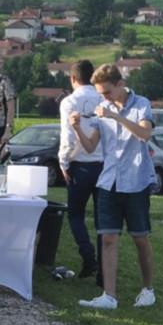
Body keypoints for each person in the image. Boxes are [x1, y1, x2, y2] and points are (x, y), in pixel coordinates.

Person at [69, 63, 157, 310]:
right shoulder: (103, 108)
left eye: (107, 92)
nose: (103, 97)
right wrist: (76, 127)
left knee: (140, 238)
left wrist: (116, 116)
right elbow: (89, 147)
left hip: (136, 180)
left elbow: (144, 134)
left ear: (120, 85)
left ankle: (148, 289)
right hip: (108, 180)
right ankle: (109, 296)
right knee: (108, 238)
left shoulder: (141, 104)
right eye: (100, 93)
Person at [59, 59, 104, 280]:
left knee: (76, 215)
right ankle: (105, 268)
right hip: (103, 164)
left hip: (80, 164)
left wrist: (63, 162)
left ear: (73, 78)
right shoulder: (103, 98)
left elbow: (67, 137)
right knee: (103, 219)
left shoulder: (69, 102)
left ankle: (88, 257)